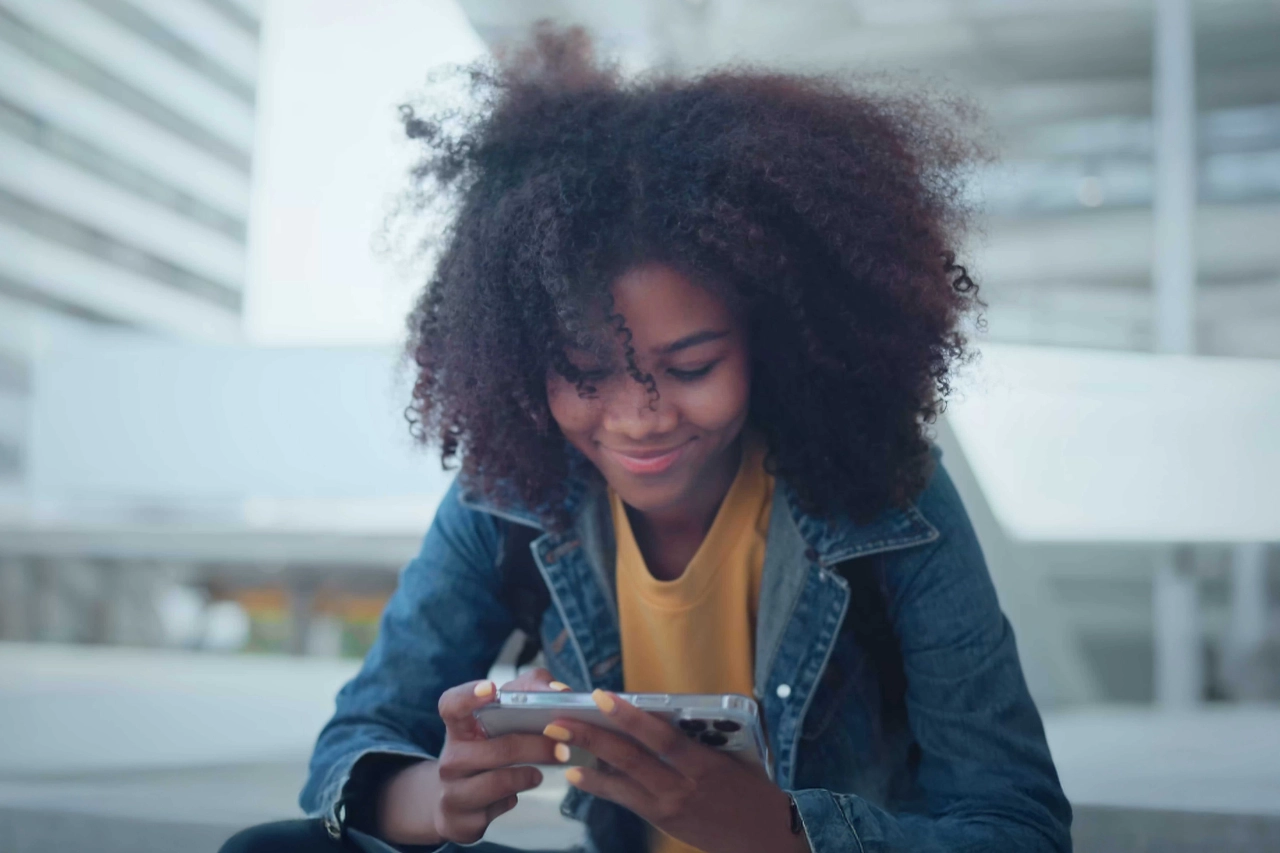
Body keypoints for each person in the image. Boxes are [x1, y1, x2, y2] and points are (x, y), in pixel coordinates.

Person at [221, 25, 1070, 853]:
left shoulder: (890, 497)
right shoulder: (507, 492)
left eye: (692, 365)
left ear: (774, 339)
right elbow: (355, 742)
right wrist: (431, 797)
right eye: (586, 372)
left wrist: (776, 833)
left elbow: (1018, 827)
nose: (639, 417)